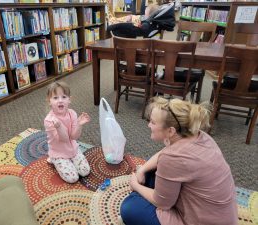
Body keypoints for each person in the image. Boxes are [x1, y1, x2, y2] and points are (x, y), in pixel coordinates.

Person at [120, 97, 238, 225]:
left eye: (153, 122)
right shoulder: (201, 136)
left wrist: (135, 185)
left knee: (129, 208)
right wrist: (142, 169)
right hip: (220, 216)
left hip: (200, 220)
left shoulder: (173, 157)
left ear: (171, 131)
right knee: (151, 168)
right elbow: (163, 155)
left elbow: (162, 203)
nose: (148, 124)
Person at [44, 81, 91, 183]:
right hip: (59, 152)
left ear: (69, 99)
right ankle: (54, 160)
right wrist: (59, 126)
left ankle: (67, 160)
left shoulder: (72, 113)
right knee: (73, 178)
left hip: (72, 149)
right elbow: (64, 139)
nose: (60, 101)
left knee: (85, 171)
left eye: (64, 97)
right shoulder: (49, 120)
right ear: (49, 101)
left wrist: (79, 124)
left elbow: (74, 137)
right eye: (55, 98)